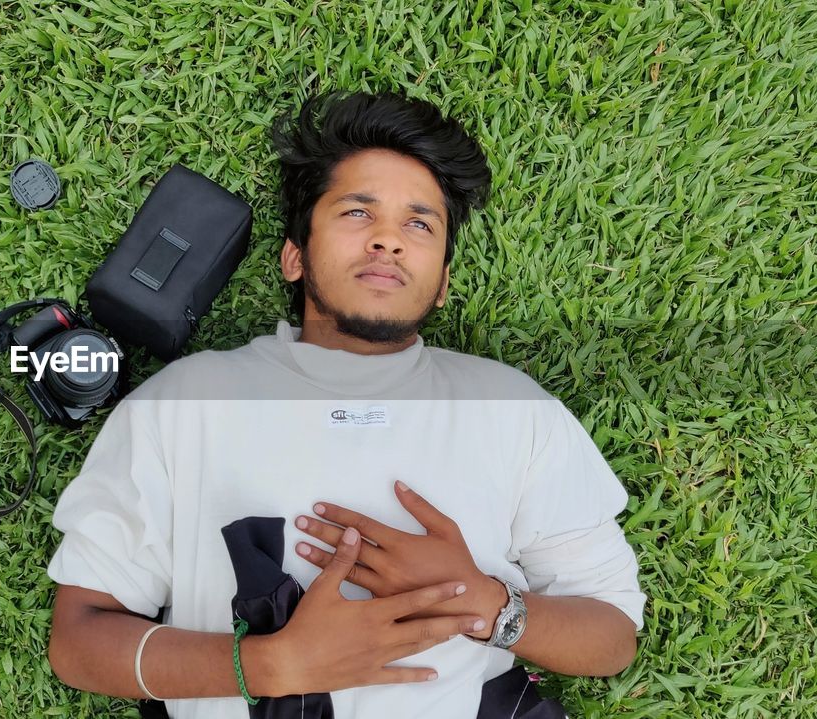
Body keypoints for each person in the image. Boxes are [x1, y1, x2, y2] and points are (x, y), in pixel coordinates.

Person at [45, 90, 645, 718]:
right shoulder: (181, 404)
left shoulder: (515, 411)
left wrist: (486, 603)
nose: (388, 239)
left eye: (419, 223)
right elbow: (79, 637)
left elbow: (610, 638)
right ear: (295, 257)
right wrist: (273, 665)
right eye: (357, 212)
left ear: (442, 283)